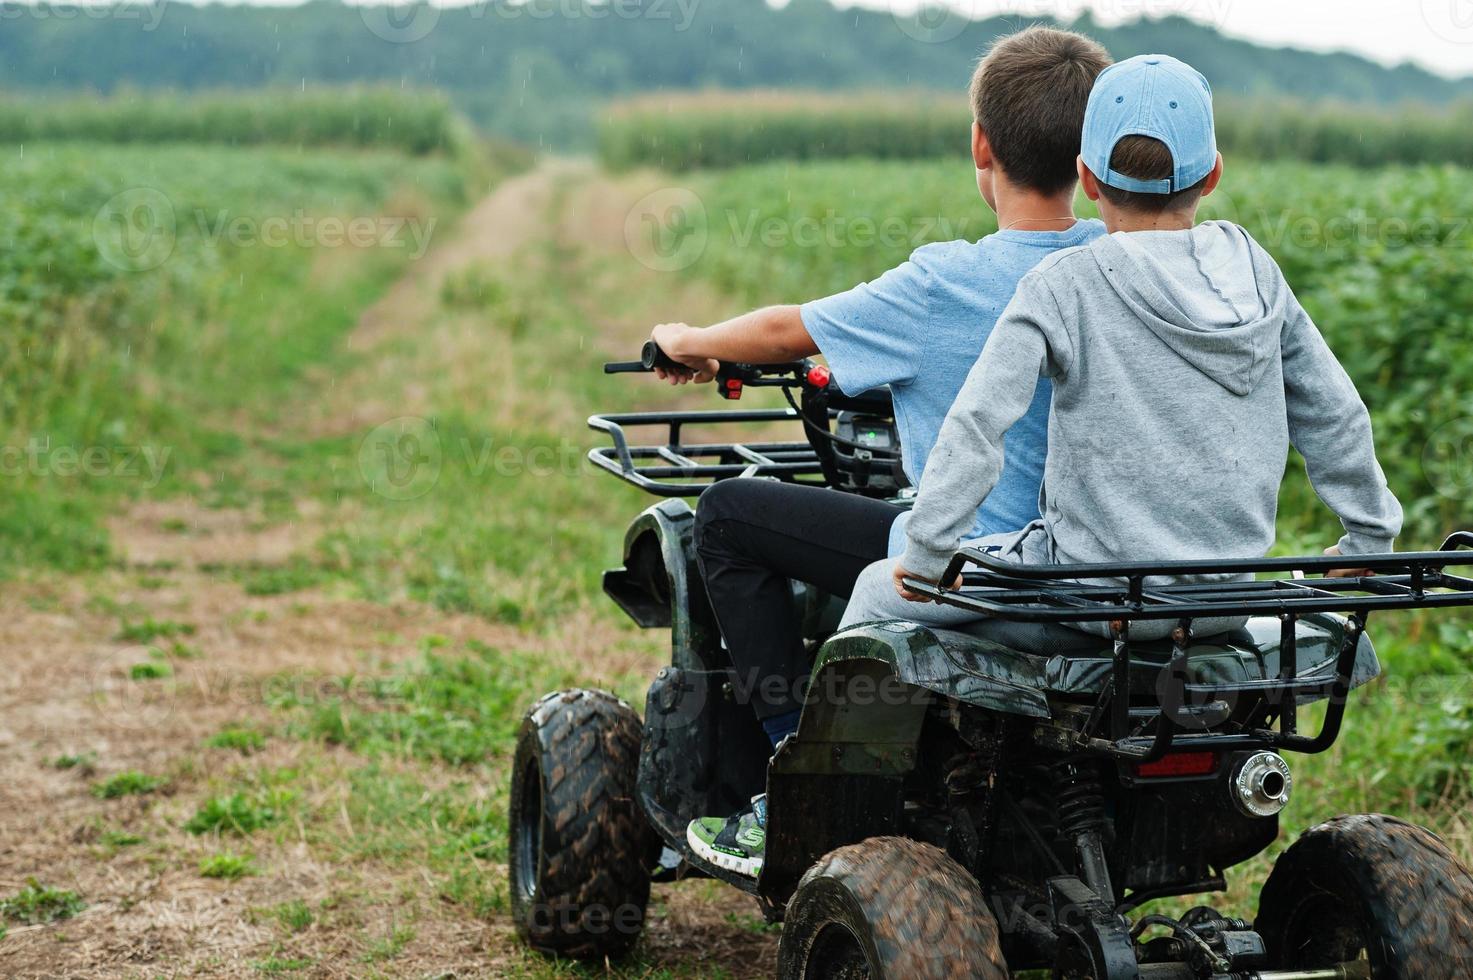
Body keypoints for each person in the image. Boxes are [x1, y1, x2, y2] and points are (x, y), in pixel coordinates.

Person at [654, 26, 1115, 879]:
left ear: (981, 144)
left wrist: (689, 338)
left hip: (969, 560)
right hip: (1099, 562)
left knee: (726, 516)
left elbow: (784, 331)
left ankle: (794, 769)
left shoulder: (939, 283)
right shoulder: (1120, 264)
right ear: (1093, 157)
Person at [840, 53, 1403, 643]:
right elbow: (1334, 413)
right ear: (1212, 175)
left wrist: (928, 556)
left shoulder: (1063, 283)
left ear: (1085, 178)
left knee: (875, 590)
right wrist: (1369, 538)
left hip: (1093, 595)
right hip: (1224, 600)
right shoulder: (1257, 273)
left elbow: (979, 424)